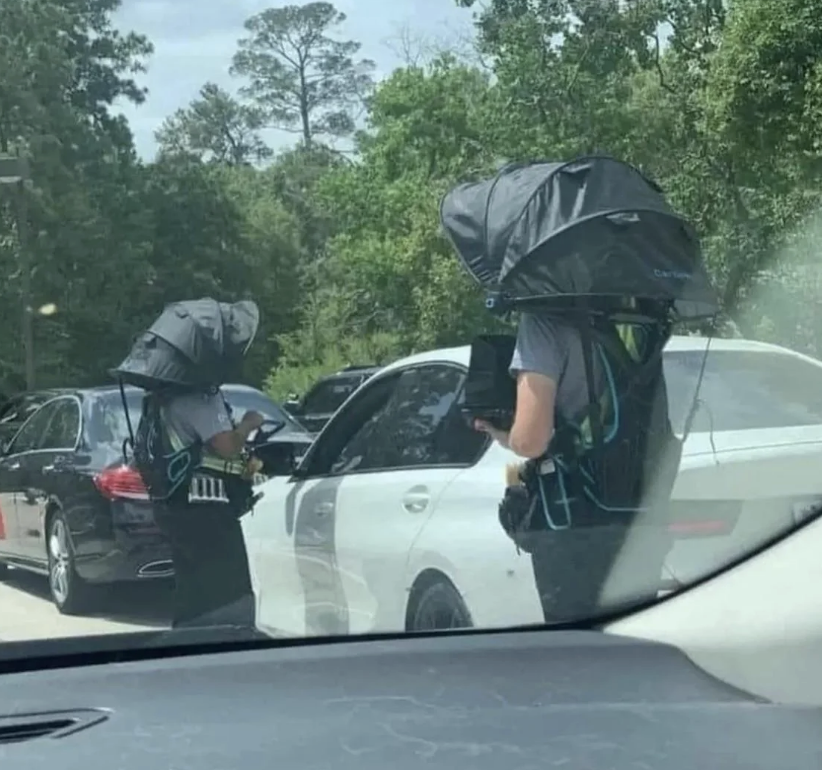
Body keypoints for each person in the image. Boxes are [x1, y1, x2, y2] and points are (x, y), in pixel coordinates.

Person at [473, 312, 672, 622]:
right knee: (636, 643)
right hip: (639, 510)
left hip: (572, 522)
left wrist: (501, 434)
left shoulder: (543, 320)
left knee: (579, 653)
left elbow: (530, 441)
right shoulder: (635, 314)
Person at [149, 389, 265, 629]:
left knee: (193, 588)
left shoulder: (166, 398)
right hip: (209, 506)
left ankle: (188, 643)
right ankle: (225, 644)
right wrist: (249, 423)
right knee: (228, 589)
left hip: (179, 504)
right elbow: (227, 446)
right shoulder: (200, 398)